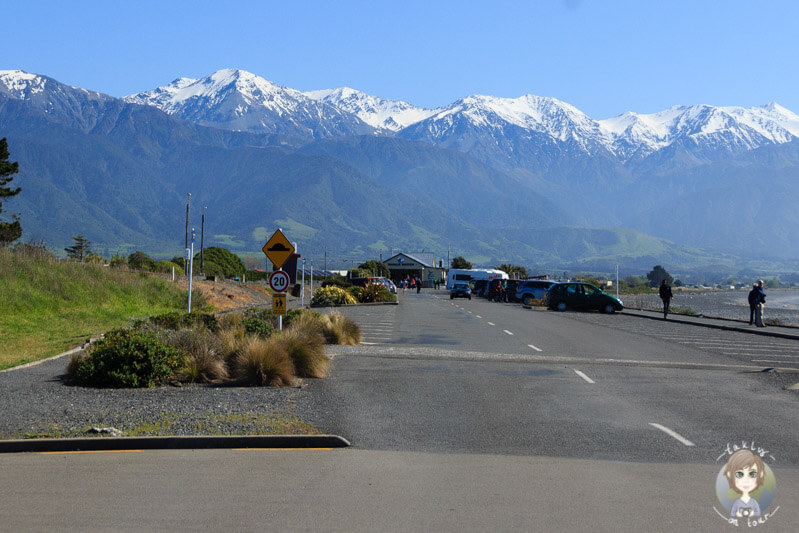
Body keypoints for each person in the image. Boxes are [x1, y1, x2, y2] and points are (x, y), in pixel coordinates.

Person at [724, 449, 766, 519]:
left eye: (752, 474)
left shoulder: (753, 502)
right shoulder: (737, 502)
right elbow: (732, 513)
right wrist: (738, 514)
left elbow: (758, 513)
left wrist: (752, 513)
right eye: (739, 474)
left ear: (761, 474)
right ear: (730, 475)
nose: (746, 480)